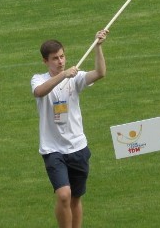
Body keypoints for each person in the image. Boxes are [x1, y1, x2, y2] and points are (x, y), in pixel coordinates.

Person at [31, 30, 108, 228]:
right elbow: (39, 92)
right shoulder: (39, 79)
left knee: (75, 198)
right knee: (64, 195)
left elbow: (100, 73)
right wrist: (64, 75)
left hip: (78, 147)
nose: (60, 61)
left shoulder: (76, 78)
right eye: (55, 58)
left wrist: (98, 47)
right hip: (53, 149)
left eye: (62, 56)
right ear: (45, 61)